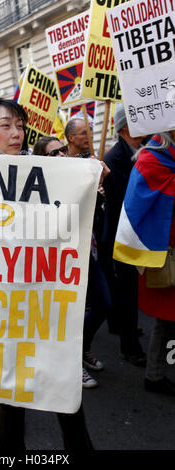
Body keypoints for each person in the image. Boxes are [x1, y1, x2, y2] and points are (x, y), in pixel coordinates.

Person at [0, 98, 93, 451]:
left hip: (44, 299)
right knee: (11, 394)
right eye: (6, 125)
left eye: (20, 126)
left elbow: (66, 222)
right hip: (1, 308)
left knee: (63, 384)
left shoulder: (42, 170)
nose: (16, 133)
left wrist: (89, 191)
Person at [34, 135, 112, 389]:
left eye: (62, 150)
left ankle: (82, 348)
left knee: (103, 304)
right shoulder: (38, 187)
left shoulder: (79, 178)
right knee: (67, 315)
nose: (60, 155)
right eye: (52, 153)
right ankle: (71, 364)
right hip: (58, 261)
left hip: (86, 254)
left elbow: (91, 219)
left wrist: (97, 189)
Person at [114, 132, 175, 395]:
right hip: (165, 252)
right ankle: (155, 375)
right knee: (167, 319)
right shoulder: (151, 157)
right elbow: (141, 200)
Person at [101, 103, 147, 367]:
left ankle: (131, 329)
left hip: (138, 231)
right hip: (121, 235)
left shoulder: (145, 149)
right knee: (126, 292)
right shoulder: (114, 159)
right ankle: (129, 347)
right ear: (125, 127)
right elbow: (122, 199)